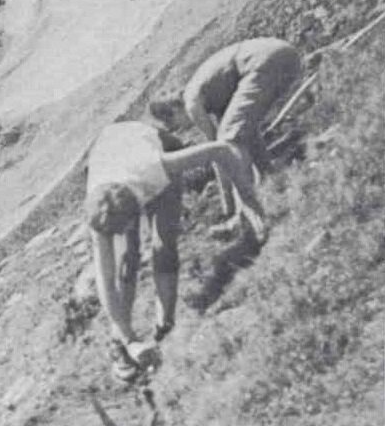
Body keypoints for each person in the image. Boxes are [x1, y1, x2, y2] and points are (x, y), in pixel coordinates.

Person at [84, 120, 264, 384]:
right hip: (113, 156)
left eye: (127, 225)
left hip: (149, 147)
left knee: (163, 242)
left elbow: (222, 150)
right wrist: (129, 337)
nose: (124, 232)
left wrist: (249, 202)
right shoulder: (97, 209)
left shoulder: (155, 165)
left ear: (135, 209)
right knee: (126, 259)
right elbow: (105, 280)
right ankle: (121, 345)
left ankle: (164, 326)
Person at [182, 37, 302, 236]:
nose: (184, 127)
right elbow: (239, 140)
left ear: (172, 112)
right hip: (286, 55)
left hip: (263, 63)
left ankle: (248, 219)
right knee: (244, 134)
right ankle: (275, 183)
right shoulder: (215, 92)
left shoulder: (190, 100)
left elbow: (219, 151)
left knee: (230, 141)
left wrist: (227, 206)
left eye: (175, 124)